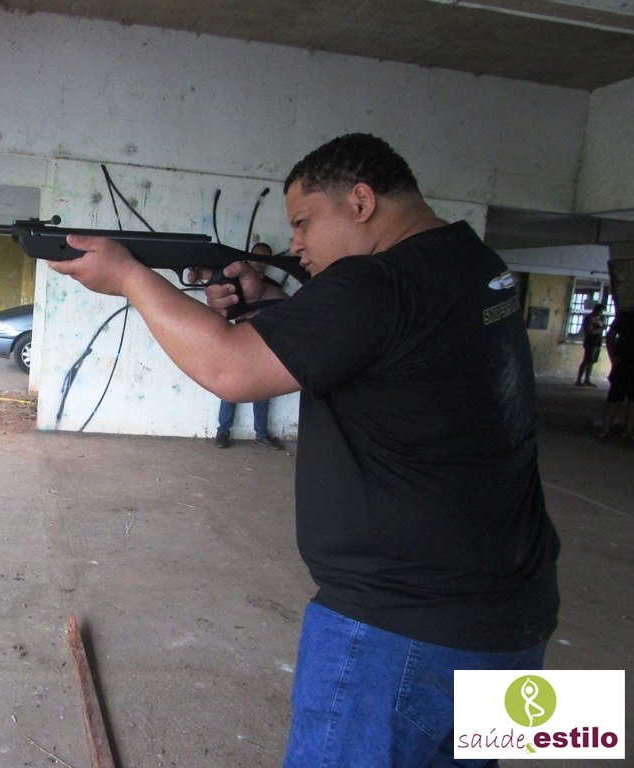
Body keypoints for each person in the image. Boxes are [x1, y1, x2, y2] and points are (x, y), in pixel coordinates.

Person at [48, 133, 559, 768]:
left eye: (303, 221)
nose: (295, 243)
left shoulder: (375, 282)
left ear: (361, 202)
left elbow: (230, 369)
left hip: (399, 633)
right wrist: (270, 305)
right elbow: (378, 344)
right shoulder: (472, 263)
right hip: (513, 619)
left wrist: (130, 276)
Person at [215, 242, 284, 450]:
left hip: (263, 344)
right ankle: (222, 432)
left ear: (268, 262)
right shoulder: (236, 285)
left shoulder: (273, 287)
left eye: (263, 258)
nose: (259, 263)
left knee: (263, 390)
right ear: (248, 259)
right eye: (256, 257)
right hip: (239, 342)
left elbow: (278, 316)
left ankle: (261, 434)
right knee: (230, 387)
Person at [598, 307, 634, 438]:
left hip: (621, 363)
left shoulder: (625, 316)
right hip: (622, 363)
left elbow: (610, 337)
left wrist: (613, 357)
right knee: (616, 398)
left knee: (618, 398)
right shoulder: (626, 316)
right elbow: (610, 337)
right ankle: (612, 429)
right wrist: (613, 357)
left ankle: (620, 431)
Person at [575, 302, 606, 386]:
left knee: (591, 362)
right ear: (595, 310)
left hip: (597, 343)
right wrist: (602, 329)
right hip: (591, 343)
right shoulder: (589, 319)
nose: (601, 313)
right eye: (600, 311)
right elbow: (590, 332)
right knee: (586, 361)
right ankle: (578, 380)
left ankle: (587, 380)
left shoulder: (597, 319)